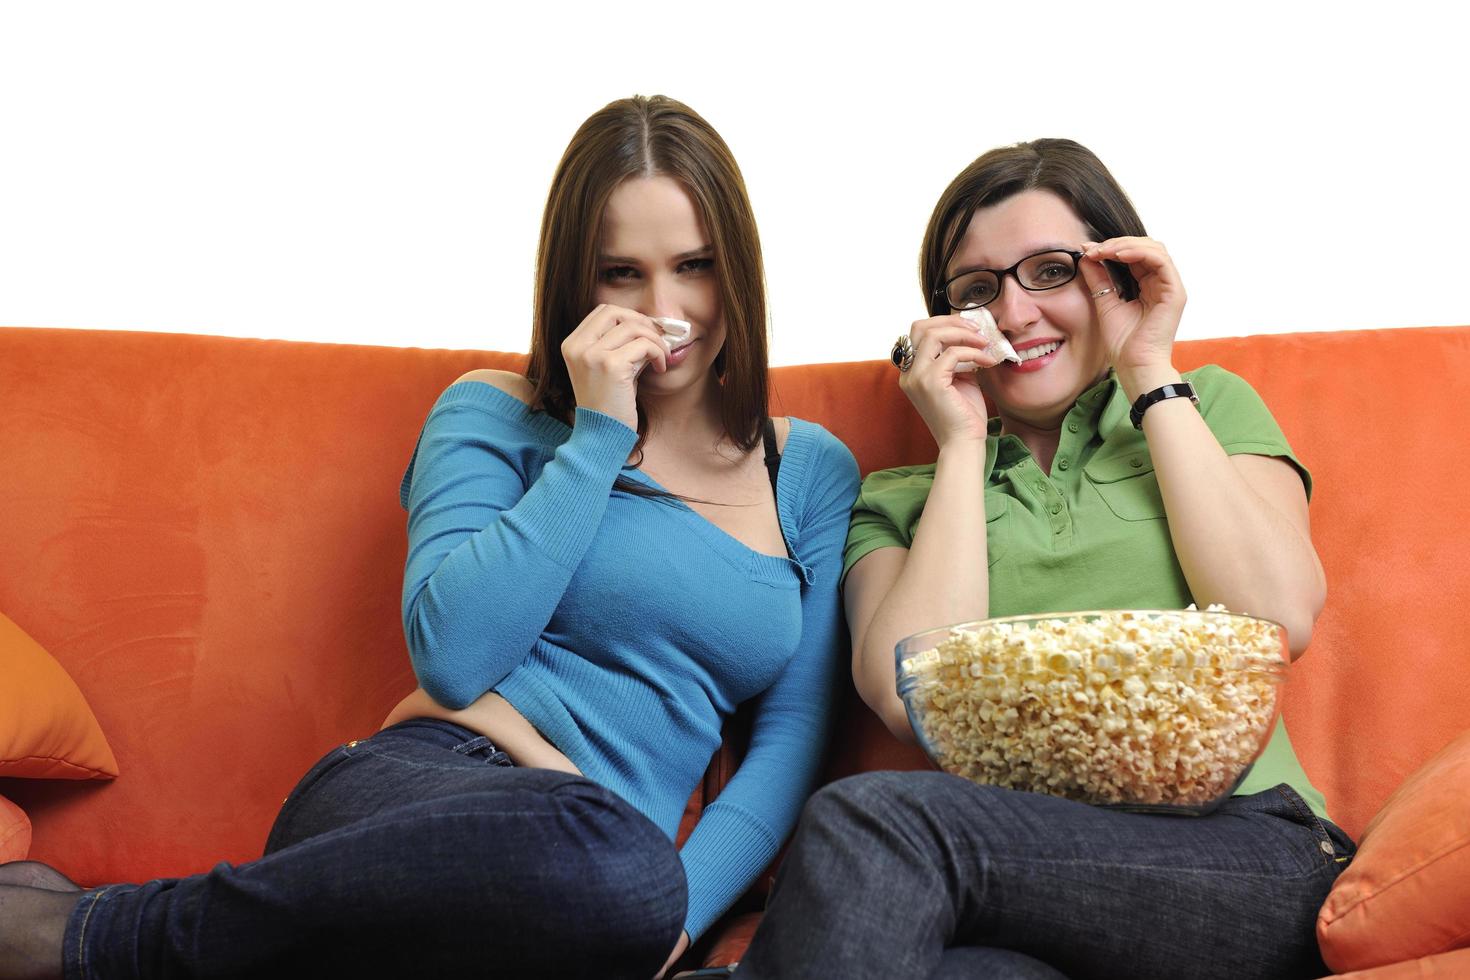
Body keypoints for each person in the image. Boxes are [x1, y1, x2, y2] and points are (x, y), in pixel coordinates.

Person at [0, 95, 858, 980]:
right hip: (424, 791)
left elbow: (791, 741)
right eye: (622, 274)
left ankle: (52, 918)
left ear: (739, 270)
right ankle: (96, 941)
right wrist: (599, 436)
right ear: (576, 281)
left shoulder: (809, 473)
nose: (664, 310)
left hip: (586, 882)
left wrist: (666, 925)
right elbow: (453, 658)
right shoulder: (494, 413)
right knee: (611, 853)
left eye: (695, 266)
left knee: (623, 870)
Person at [732, 139, 1354, 980]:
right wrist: (959, 448)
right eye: (980, 291)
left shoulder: (1203, 407)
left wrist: (1148, 372)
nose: (1016, 315)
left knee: (866, 817)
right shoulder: (899, 497)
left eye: (1051, 272)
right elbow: (900, 691)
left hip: (1247, 851)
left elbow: (1279, 615)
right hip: (1025, 878)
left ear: (1117, 279)